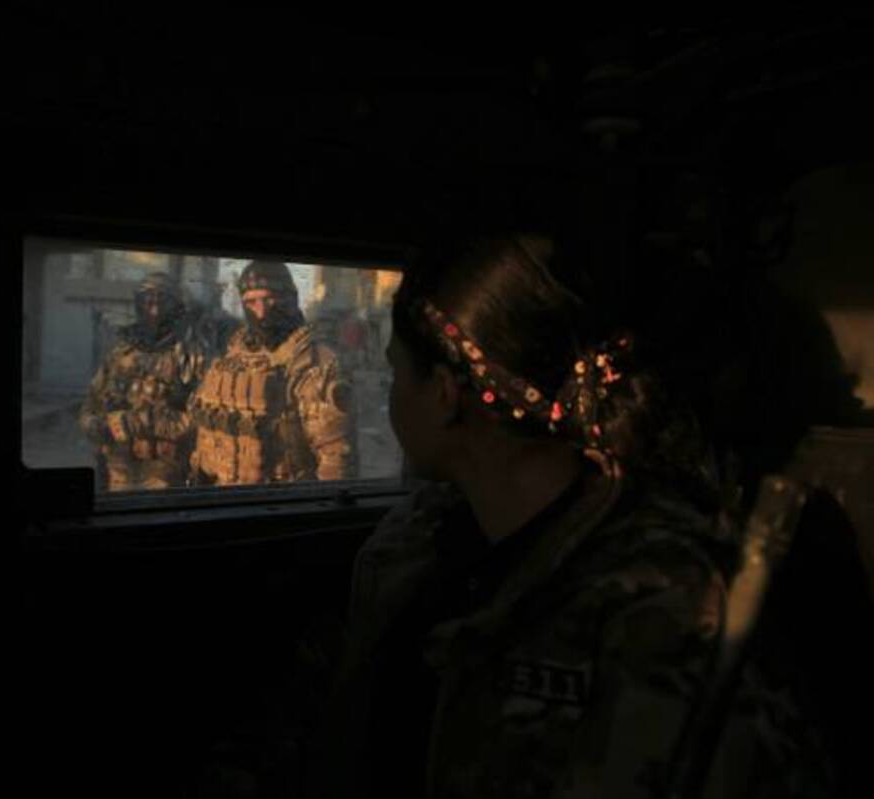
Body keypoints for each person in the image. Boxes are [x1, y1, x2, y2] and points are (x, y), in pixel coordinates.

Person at [312, 234, 835, 798]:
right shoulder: (418, 543)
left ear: (443, 394)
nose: (390, 397)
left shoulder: (667, 600)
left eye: (396, 374)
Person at [188, 260, 356, 485]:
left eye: (269, 299)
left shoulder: (313, 363)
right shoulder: (235, 353)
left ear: (289, 299)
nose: (261, 311)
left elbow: (336, 460)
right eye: (251, 302)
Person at [77, 272, 209, 491]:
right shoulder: (120, 353)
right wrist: (95, 426)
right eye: (148, 302)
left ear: (175, 308)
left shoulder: (191, 355)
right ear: (138, 305)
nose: (155, 311)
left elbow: (203, 421)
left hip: (166, 472)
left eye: (162, 303)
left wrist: (143, 422)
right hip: (117, 469)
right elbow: (90, 406)